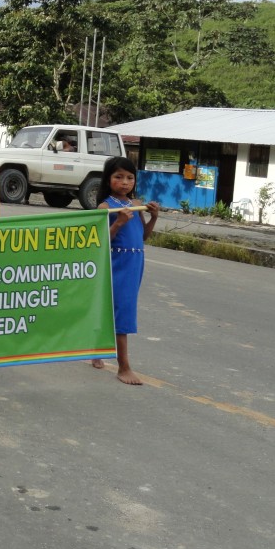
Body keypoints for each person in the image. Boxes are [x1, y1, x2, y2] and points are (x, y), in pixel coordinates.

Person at [92, 156, 160, 385]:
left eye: (130, 178)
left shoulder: (136, 204)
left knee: (115, 307)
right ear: (108, 179)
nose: (125, 182)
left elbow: (143, 236)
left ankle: (97, 349)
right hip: (117, 263)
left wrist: (153, 218)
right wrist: (118, 223)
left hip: (135, 263)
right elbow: (99, 241)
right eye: (119, 177)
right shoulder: (105, 207)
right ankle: (124, 367)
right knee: (123, 311)